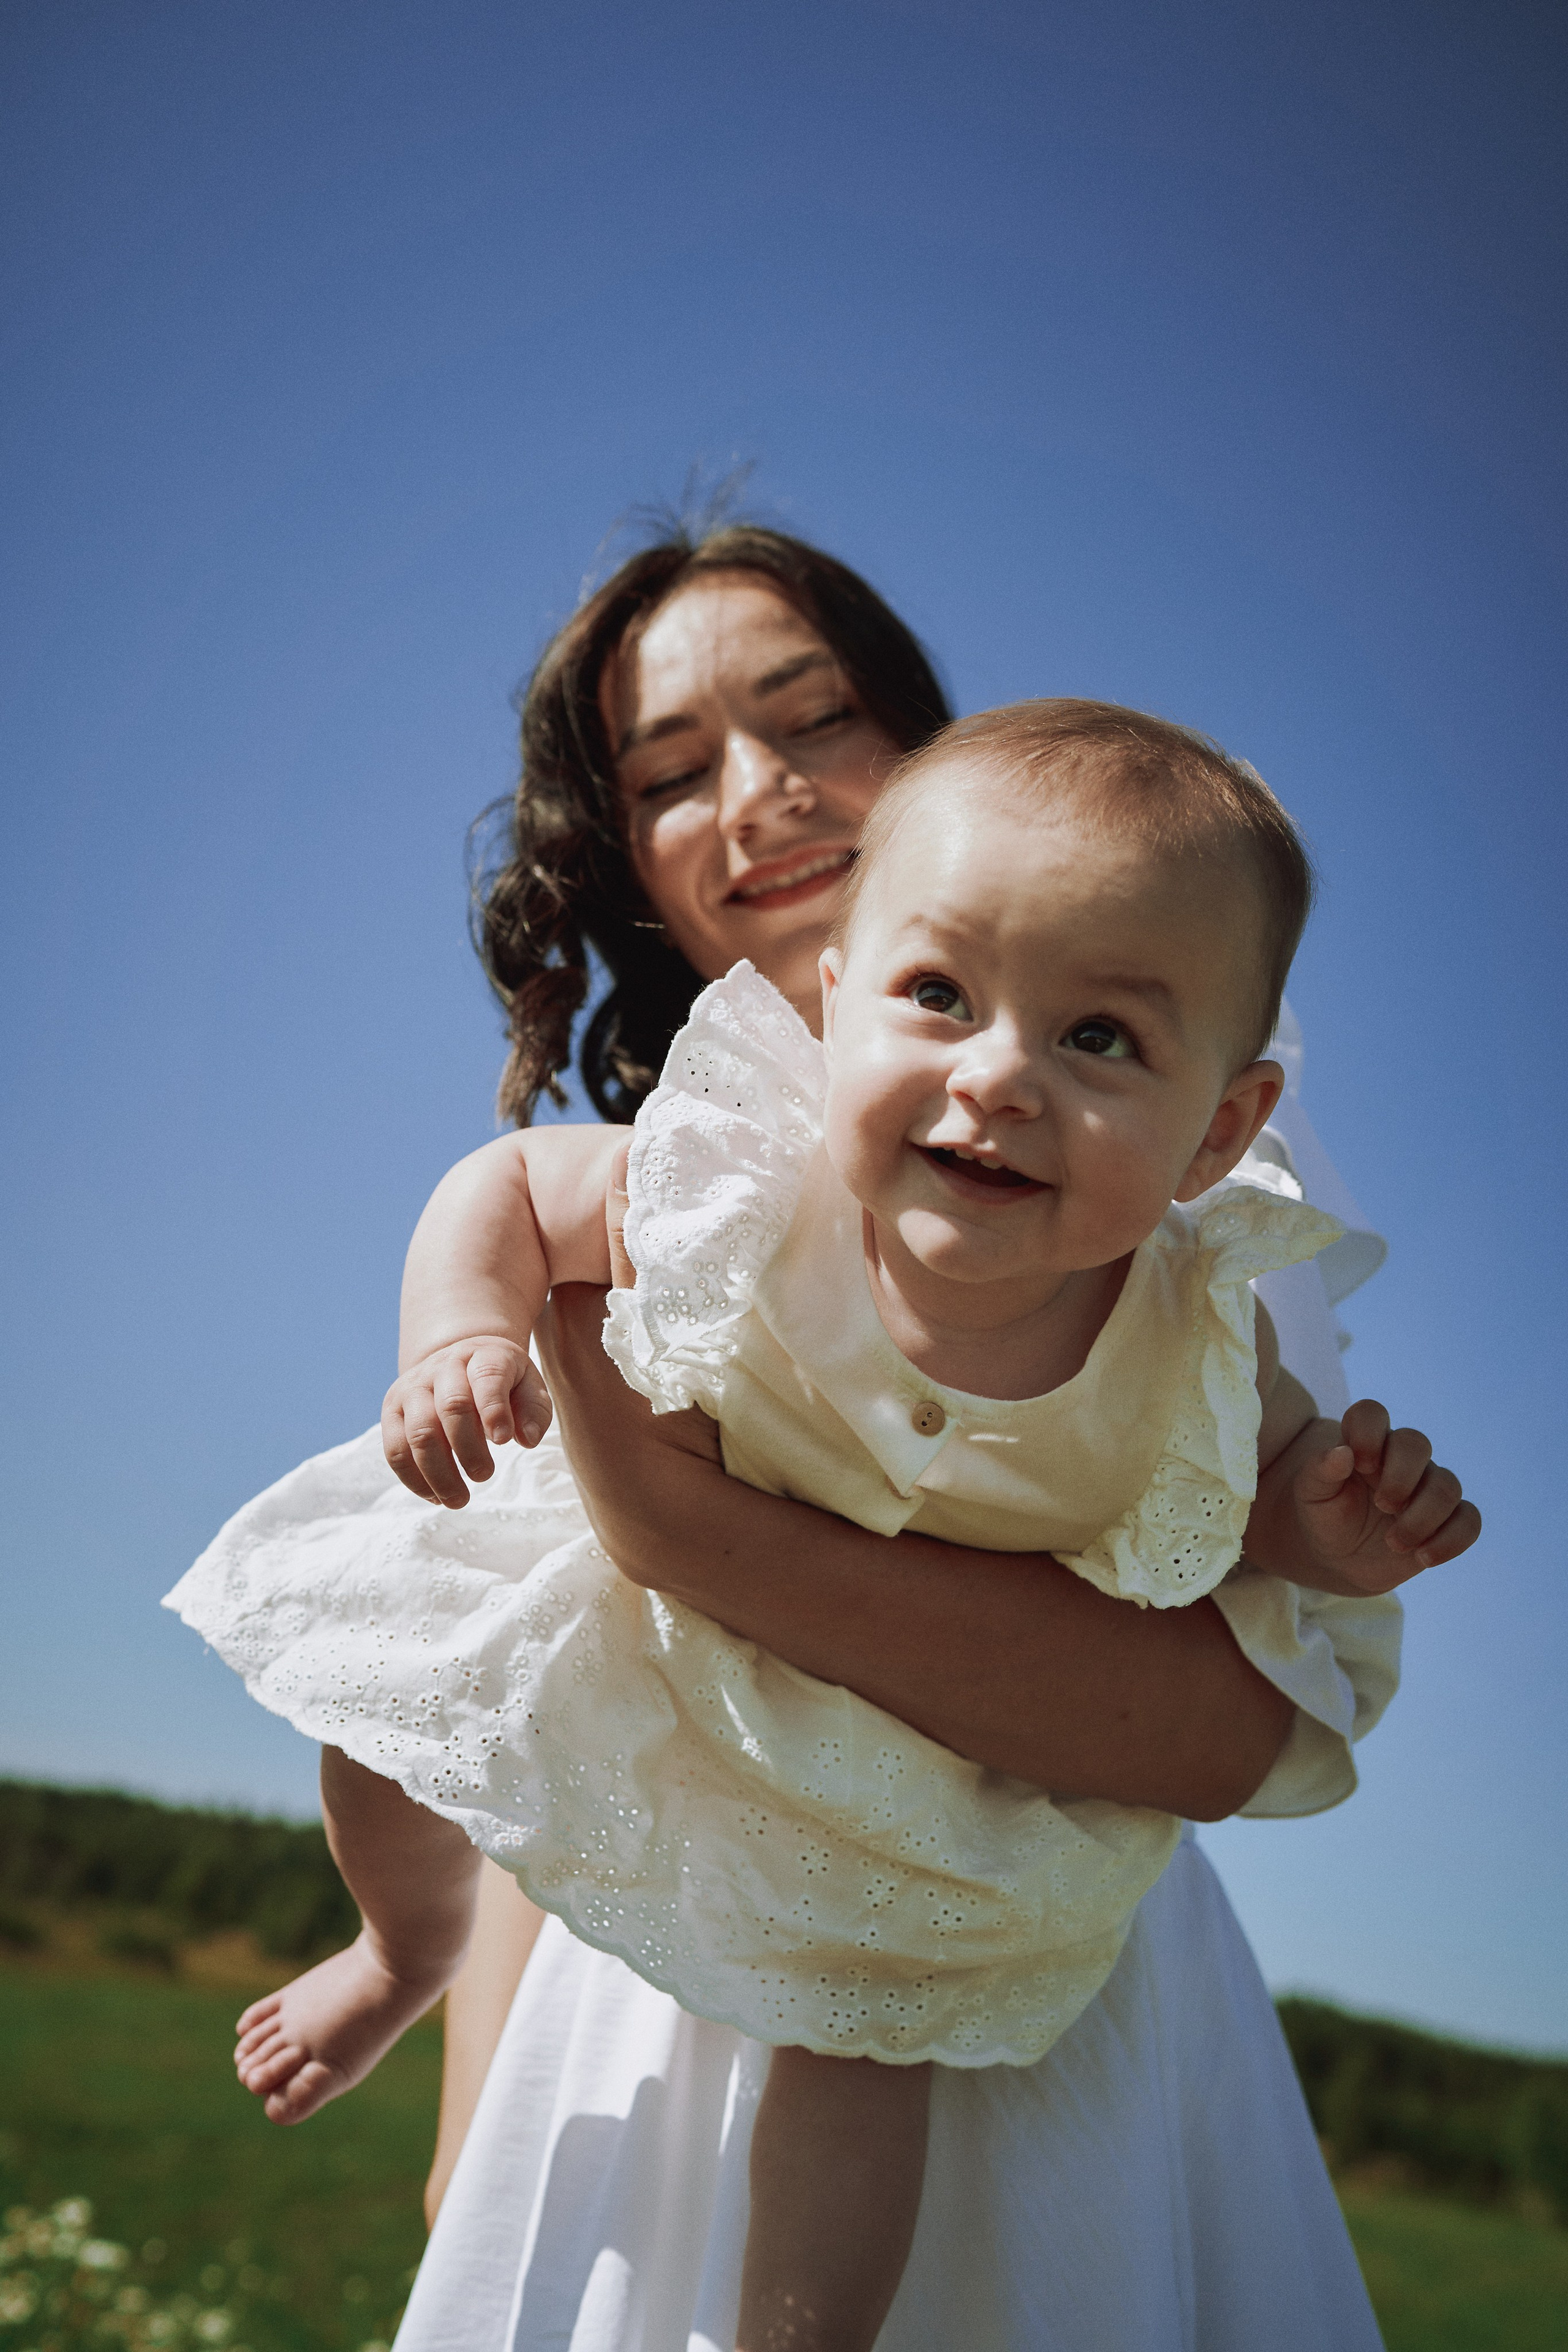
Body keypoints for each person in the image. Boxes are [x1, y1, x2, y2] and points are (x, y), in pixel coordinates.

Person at [167, 527, 1434, 2348]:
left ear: (931, 751)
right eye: (670, 774)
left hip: (995, 1929)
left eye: (809, 717)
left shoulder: (1144, 1141)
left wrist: (702, 1535)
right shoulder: (675, 1179)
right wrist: (477, 2127)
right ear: (629, 861)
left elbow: (1222, 1703)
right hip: (637, 1944)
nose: (752, 795)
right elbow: (548, 1689)